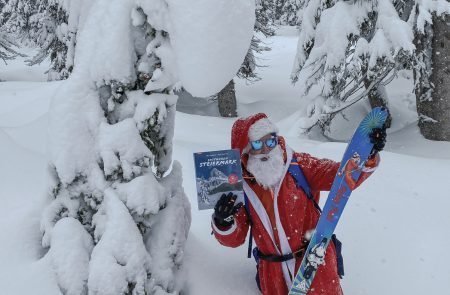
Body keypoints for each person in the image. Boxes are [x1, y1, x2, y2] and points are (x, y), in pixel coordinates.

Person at [211, 113, 386, 295]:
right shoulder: (240, 186)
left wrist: (368, 153)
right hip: (273, 275)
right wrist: (223, 222)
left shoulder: (299, 165)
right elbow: (236, 238)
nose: (265, 150)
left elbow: (340, 176)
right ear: (246, 149)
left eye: (270, 141)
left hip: (314, 265)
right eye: (257, 144)